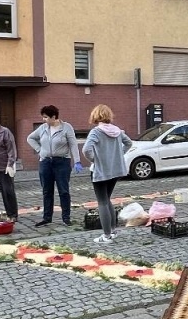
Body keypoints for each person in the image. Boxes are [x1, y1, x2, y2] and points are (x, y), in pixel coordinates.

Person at [80, 105, 132, 245]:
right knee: (107, 199)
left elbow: (86, 150)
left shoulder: (95, 132)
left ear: (95, 116)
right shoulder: (117, 131)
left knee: (102, 201)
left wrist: (94, 160)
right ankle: (113, 230)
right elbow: (129, 143)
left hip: (101, 171)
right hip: (115, 171)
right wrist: (118, 155)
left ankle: (107, 235)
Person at [28, 105, 81, 227]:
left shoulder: (66, 128)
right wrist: (39, 150)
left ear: (54, 117)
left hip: (62, 162)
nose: (44, 119)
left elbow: (73, 145)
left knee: (63, 191)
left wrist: (77, 161)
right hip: (45, 162)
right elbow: (30, 138)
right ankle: (47, 217)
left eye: (46, 117)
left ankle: (66, 217)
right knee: (47, 191)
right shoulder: (43, 128)